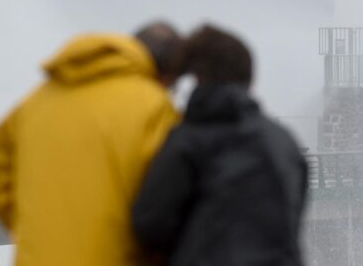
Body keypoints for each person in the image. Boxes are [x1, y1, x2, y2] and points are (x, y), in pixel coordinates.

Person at [0, 22, 184, 266]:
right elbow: (165, 204)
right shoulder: (155, 108)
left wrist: (31, 226)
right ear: (166, 75)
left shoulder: (34, 103)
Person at [132, 24, 308, 265]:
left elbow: (151, 224)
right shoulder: (284, 142)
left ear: (196, 78)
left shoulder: (188, 139)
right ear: (249, 80)